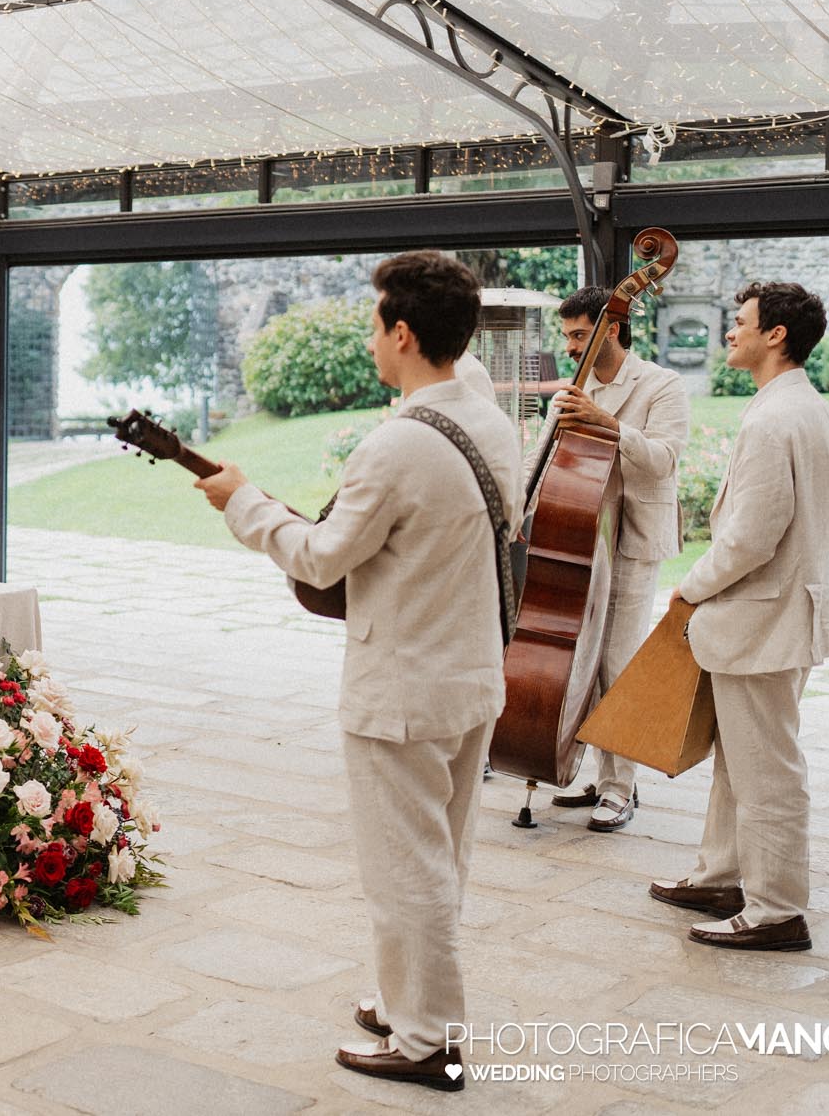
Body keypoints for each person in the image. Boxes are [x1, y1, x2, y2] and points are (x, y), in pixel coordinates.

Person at [194, 252, 521, 1094]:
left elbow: (322, 556)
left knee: (404, 870)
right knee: (440, 856)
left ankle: (427, 1040)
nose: (371, 339)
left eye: (376, 323)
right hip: (472, 676)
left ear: (403, 333)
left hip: (402, 691)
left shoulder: (395, 445)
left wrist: (243, 500)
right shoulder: (491, 420)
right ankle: (400, 1000)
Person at [651, 282, 829, 952]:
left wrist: (690, 588)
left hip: (764, 622)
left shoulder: (773, 419)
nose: (727, 333)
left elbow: (750, 538)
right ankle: (722, 876)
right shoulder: (816, 410)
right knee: (741, 761)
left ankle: (776, 910)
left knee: (765, 770)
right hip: (790, 617)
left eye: (738, 323)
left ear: (775, 335)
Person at [543, 285, 690, 833]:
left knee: (619, 662)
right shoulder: (576, 388)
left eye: (580, 334)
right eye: (568, 337)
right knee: (583, 659)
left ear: (611, 328)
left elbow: (663, 459)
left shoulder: (662, 384)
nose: (573, 346)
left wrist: (607, 424)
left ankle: (620, 789)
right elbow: (550, 459)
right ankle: (594, 773)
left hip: (631, 539)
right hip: (578, 535)